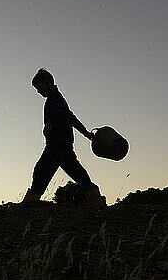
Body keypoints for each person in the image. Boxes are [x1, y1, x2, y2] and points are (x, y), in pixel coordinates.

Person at [22, 68, 105, 208]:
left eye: (38, 87)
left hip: (57, 144)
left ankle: (29, 204)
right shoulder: (57, 97)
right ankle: (95, 200)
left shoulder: (54, 97)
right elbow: (70, 117)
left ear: (46, 82)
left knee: (41, 171)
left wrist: (50, 122)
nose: (38, 91)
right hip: (61, 145)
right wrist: (86, 133)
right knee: (75, 173)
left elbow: (63, 113)